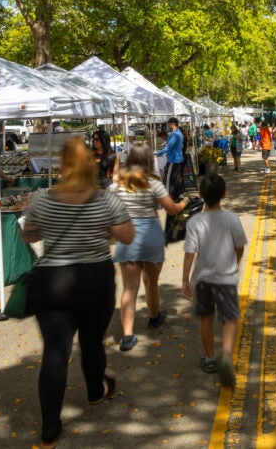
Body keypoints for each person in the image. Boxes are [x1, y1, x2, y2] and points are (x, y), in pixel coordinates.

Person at [19, 137, 135, 449]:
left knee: (55, 352)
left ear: (62, 166)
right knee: (92, 341)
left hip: (52, 278)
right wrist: (103, 228)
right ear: (90, 164)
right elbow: (127, 234)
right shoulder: (106, 199)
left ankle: (49, 428)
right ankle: (96, 392)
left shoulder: (42, 198)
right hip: (94, 278)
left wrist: (50, 228)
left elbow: (28, 233)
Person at [110, 144, 188, 352]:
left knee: (129, 287)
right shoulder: (153, 182)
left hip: (127, 236)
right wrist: (185, 204)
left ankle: (127, 336)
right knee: (151, 282)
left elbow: (108, 204)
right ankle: (154, 317)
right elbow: (170, 208)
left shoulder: (119, 183)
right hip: (151, 235)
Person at [181, 173, 247, 388]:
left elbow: (189, 253)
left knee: (206, 318)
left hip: (203, 280)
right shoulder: (232, 219)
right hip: (226, 278)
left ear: (200, 194)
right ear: (224, 194)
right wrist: (234, 263)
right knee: (230, 318)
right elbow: (239, 246)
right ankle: (226, 353)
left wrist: (185, 281)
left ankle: (210, 359)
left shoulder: (195, 221)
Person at [156, 117, 186, 202]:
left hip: (173, 159)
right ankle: (176, 197)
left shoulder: (175, 134)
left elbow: (168, 148)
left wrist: (158, 153)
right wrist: (166, 143)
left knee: (168, 179)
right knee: (175, 179)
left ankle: (169, 199)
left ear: (172, 124)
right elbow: (177, 145)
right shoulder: (179, 133)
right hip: (178, 159)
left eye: (169, 124)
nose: (168, 125)